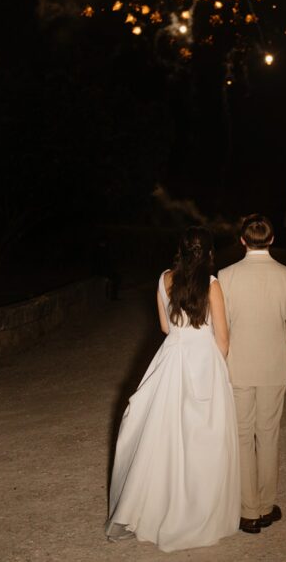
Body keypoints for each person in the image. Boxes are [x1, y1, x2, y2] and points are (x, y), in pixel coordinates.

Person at [106, 227, 239, 552]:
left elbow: (166, 327)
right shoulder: (211, 284)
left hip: (172, 356)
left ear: (180, 251)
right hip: (203, 358)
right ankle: (199, 510)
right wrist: (215, 371)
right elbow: (222, 338)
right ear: (209, 253)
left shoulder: (165, 278)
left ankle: (156, 507)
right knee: (204, 437)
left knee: (164, 434)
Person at [218, 214, 286, 534]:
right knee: (268, 435)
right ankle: (267, 506)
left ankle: (248, 511)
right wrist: (276, 342)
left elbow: (220, 325)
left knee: (242, 437)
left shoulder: (226, 276)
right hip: (274, 366)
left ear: (242, 240)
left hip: (238, 366)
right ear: (271, 240)